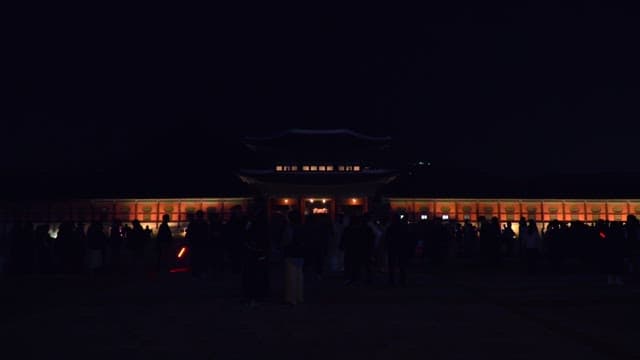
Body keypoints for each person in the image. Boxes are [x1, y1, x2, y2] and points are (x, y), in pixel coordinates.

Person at [282, 211, 305, 306]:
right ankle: (299, 296)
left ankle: (291, 298)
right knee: (299, 276)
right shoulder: (302, 227)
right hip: (301, 253)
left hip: (291, 253)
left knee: (291, 277)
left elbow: (287, 240)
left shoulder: (290, 228)